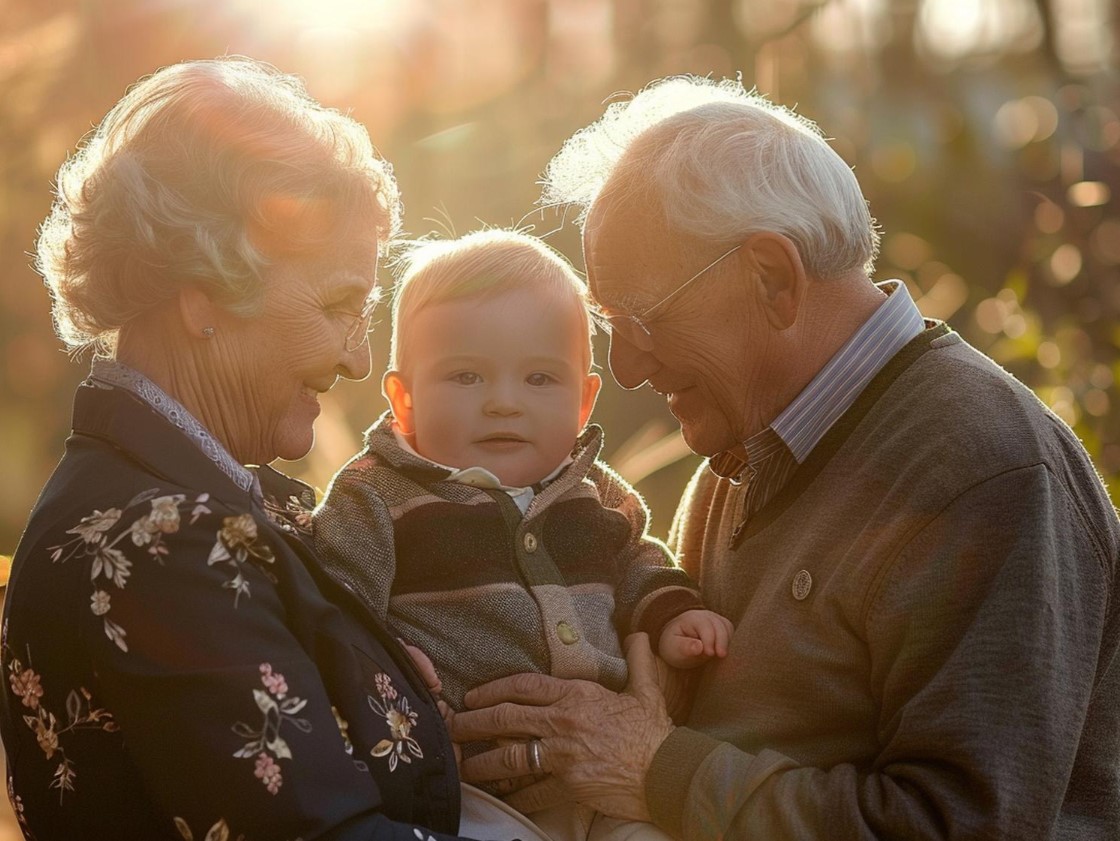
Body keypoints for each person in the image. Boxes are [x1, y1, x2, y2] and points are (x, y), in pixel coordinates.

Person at [449, 76, 1120, 840]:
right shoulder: (739, 463)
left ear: (772, 277)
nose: (628, 368)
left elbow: (959, 825)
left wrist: (658, 770)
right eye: (610, 326)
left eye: (641, 319)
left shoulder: (980, 466)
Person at [0, 56, 500, 841]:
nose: (357, 359)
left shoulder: (186, 500)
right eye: (338, 303)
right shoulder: (162, 542)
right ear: (204, 296)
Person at [313, 228, 732, 841]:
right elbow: (338, 598)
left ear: (585, 401)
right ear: (404, 400)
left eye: (539, 379)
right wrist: (386, 662)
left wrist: (673, 617)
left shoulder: (596, 495)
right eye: (466, 377)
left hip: (610, 781)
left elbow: (640, 563)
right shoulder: (377, 496)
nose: (504, 403)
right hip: (474, 787)